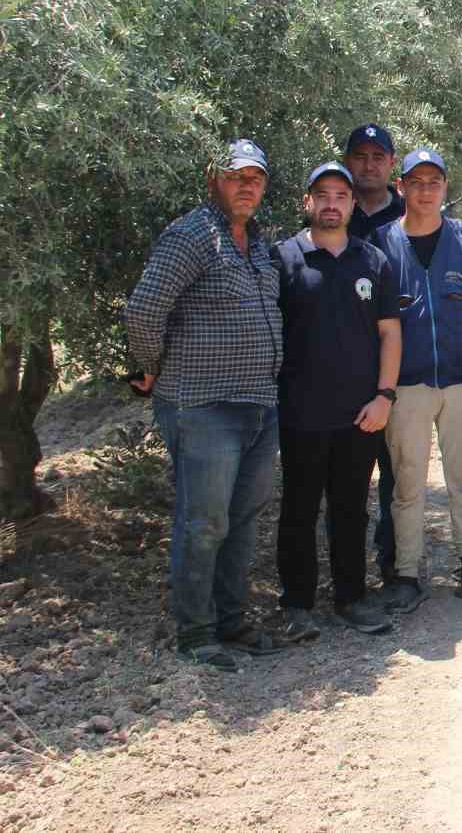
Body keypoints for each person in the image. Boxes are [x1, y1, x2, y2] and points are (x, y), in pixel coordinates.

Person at [126, 139, 285, 669]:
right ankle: (195, 634)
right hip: (203, 406)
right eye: (236, 176)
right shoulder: (191, 235)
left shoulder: (257, 242)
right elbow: (144, 309)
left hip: (259, 404)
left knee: (242, 519)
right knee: (205, 521)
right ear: (213, 179)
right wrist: (149, 365)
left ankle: (231, 621)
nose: (246, 186)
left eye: (255, 178)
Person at [271, 162, 399, 640]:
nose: (331, 204)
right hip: (300, 412)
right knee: (298, 510)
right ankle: (297, 605)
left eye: (341, 196)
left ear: (351, 204)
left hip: (359, 413)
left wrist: (384, 396)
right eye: (322, 195)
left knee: (350, 508)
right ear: (307, 202)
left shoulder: (373, 261)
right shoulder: (283, 259)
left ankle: (351, 598)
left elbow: (390, 334)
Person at [372, 148, 462, 611]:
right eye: (416, 182)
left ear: (445, 187)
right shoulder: (381, 243)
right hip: (407, 384)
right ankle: (406, 574)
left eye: (434, 182)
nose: (425, 191)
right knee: (407, 483)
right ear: (401, 187)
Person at [343, 124, 405, 583]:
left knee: (397, 474)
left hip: (396, 369)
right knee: (345, 481)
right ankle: (347, 577)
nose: (369, 165)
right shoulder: (331, 212)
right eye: (361, 156)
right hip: (341, 369)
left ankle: (393, 565)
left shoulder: (410, 214)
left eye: (378, 156)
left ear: (391, 163)